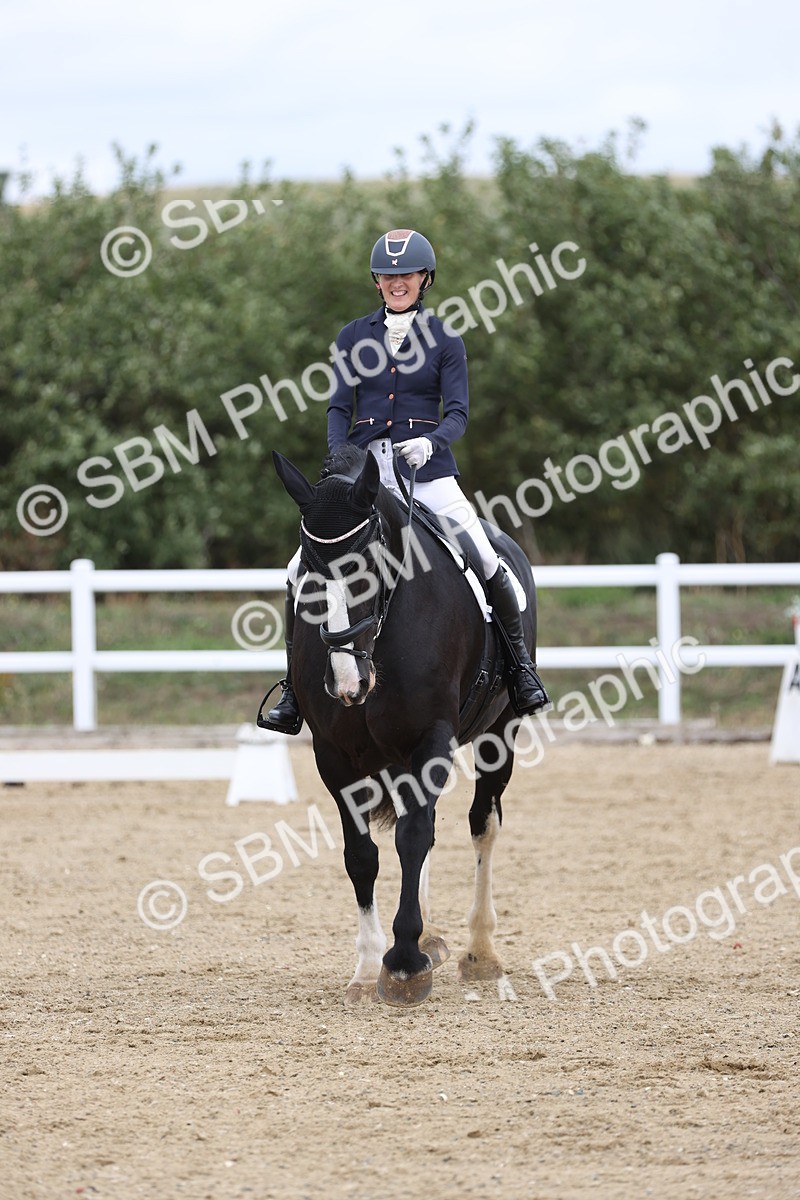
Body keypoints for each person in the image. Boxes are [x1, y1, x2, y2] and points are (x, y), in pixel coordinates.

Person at [264, 228, 549, 734]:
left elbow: (458, 413)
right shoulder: (353, 336)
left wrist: (433, 442)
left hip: (427, 470)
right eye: (389, 275)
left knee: (484, 555)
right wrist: (341, 459)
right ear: (378, 281)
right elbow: (337, 407)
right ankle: (292, 690)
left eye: (408, 274)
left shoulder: (446, 340)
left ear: (425, 279)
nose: (398, 282)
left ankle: (521, 671)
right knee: (296, 571)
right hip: (363, 476)